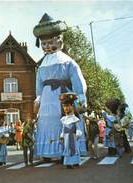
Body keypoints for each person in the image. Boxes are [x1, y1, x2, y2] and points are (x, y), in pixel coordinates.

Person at [33, 13, 87, 160]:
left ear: (59, 41)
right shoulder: (41, 65)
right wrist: (38, 98)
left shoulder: (67, 61)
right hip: (46, 100)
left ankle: (65, 151)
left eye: (50, 43)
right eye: (44, 44)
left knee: (62, 122)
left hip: (62, 97)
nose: (47, 47)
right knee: (46, 122)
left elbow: (77, 79)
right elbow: (38, 84)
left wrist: (81, 97)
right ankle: (48, 153)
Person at [59, 93, 82, 169]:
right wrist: (61, 135)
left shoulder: (75, 119)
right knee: (67, 149)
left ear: (72, 106)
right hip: (66, 137)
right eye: (64, 106)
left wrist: (78, 133)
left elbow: (78, 128)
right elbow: (63, 128)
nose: (66, 108)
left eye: (68, 106)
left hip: (73, 136)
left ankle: (75, 162)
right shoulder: (63, 119)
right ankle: (68, 163)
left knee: (74, 148)